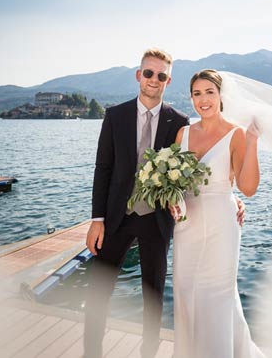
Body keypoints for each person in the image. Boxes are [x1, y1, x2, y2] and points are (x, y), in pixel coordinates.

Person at [84, 51, 245, 358]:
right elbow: (102, 168)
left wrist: (231, 197)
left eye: (161, 76)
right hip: (116, 217)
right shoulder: (114, 116)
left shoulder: (179, 123)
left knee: (154, 297)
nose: (153, 80)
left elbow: (198, 171)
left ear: (168, 81)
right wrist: (97, 218)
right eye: (148, 73)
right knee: (98, 291)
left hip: (156, 220)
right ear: (138, 75)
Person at [171, 69, 266, 358]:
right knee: (185, 291)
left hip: (222, 225)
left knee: (218, 296)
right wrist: (171, 201)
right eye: (197, 93)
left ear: (221, 96)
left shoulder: (236, 134)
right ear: (191, 98)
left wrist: (252, 142)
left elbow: (247, 188)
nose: (203, 100)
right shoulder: (183, 133)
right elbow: (172, 184)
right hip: (186, 224)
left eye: (209, 92)